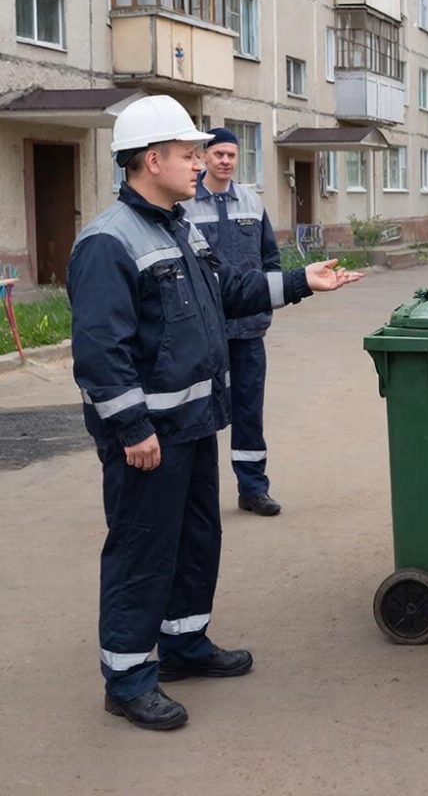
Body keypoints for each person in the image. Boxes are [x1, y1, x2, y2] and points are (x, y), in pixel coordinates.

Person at [67, 95, 363, 731]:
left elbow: (230, 292)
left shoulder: (179, 225)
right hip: (150, 437)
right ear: (152, 159)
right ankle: (127, 677)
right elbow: (99, 352)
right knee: (143, 551)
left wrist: (302, 281)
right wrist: (133, 428)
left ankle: (184, 646)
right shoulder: (108, 241)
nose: (200, 163)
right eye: (188, 152)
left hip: (196, 423)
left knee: (197, 540)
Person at [180, 128, 282, 517]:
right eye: (218, 154)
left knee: (248, 412)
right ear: (205, 157)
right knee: (198, 411)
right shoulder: (186, 205)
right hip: (203, 332)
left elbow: (270, 259)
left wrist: (266, 306)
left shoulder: (252, 203)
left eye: (231, 155)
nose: (225, 161)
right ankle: (193, 496)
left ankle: (253, 488)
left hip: (248, 330)